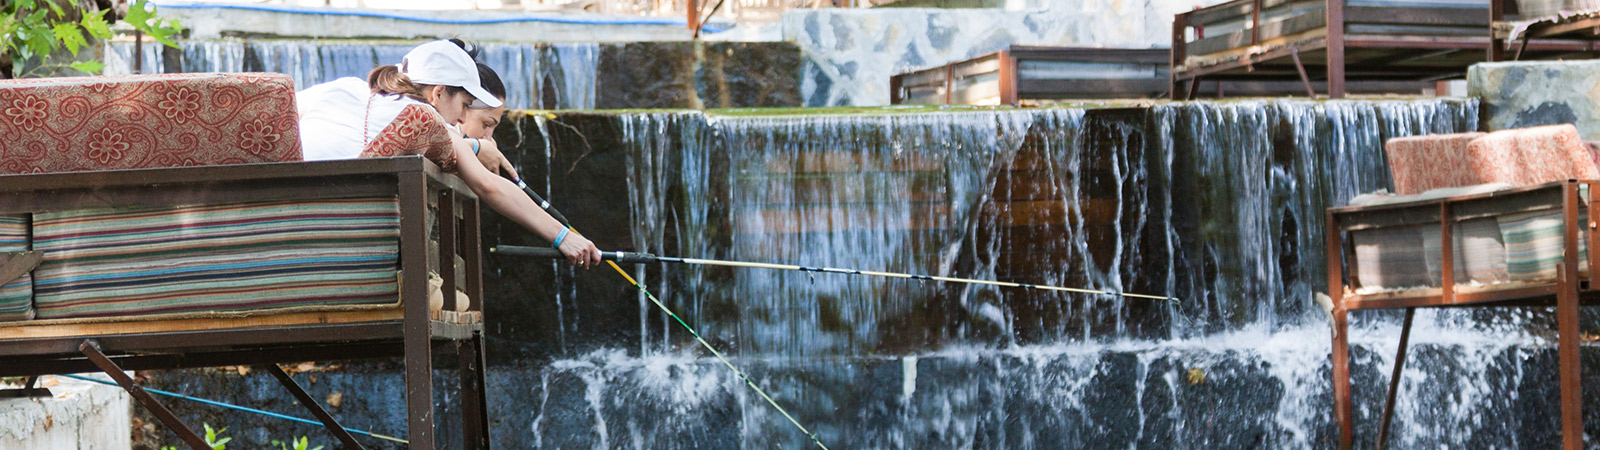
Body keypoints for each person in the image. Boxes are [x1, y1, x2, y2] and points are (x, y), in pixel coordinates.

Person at [296, 40, 601, 269]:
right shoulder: (427, 119)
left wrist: (475, 146)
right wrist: (563, 236)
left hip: (285, 224)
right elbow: (489, 185)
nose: (461, 117)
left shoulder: (343, 88)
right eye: (465, 104)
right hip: (346, 246)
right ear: (439, 93)